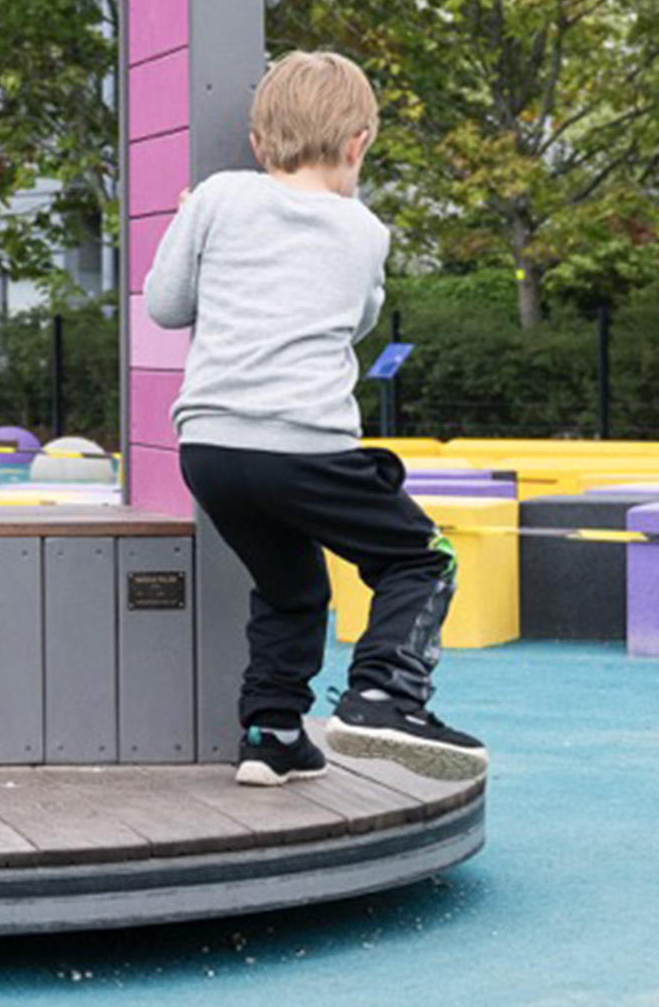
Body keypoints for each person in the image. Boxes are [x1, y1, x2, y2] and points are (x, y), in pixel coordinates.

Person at [145, 49, 486, 789]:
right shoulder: (363, 228)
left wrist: (186, 227)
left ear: (260, 141)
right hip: (305, 445)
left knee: (292, 586)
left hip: (209, 448)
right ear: (357, 143)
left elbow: (166, 305)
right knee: (420, 559)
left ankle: (270, 732)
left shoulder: (215, 198)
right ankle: (385, 694)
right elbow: (358, 321)